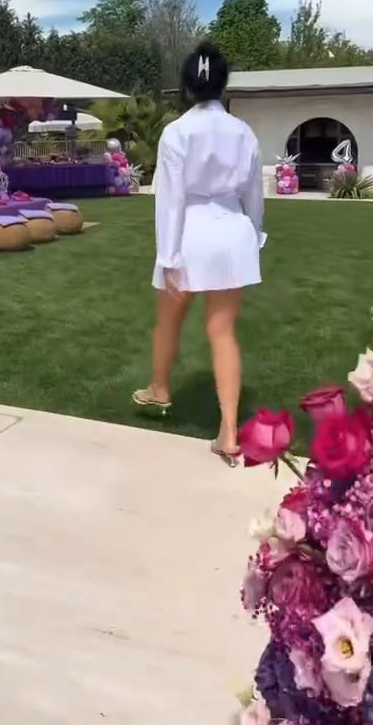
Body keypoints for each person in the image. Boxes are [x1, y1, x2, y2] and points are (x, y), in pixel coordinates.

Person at [132, 41, 265, 467]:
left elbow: (169, 200)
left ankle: (159, 388)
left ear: (187, 87)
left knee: (168, 319)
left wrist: (168, 257)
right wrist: (255, 234)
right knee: (222, 331)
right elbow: (254, 193)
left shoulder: (177, 132)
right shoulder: (243, 131)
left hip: (191, 234)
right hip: (232, 231)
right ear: (223, 85)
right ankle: (229, 432)